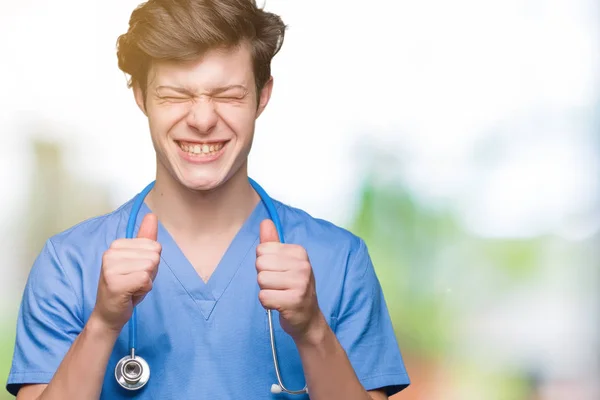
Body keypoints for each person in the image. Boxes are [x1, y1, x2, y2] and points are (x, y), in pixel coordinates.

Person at [5, 0, 410, 399]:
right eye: (175, 96)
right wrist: (102, 325)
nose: (201, 120)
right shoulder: (69, 264)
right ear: (141, 97)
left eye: (229, 96)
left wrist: (312, 330)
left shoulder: (339, 262)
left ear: (262, 95)